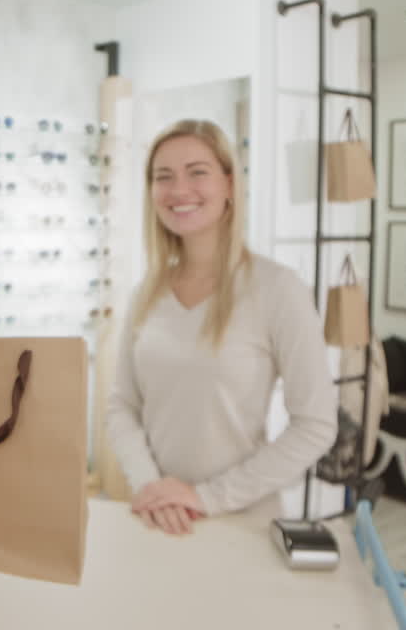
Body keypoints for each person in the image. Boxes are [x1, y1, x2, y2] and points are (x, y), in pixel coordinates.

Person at [106, 119, 337, 536]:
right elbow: (122, 405)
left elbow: (316, 423)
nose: (179, 191)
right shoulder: (147, 293)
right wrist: (152, 488)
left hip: (238, 520)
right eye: (164, 177)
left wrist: (206, 497)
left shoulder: (277, 289)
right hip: (157, 515)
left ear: (229, 184)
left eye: (197, 172)